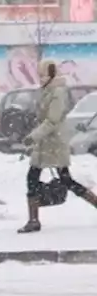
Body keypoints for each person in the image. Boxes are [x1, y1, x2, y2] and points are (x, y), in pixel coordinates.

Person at [17, 58, 97, 233]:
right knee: (37, 177)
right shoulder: (49, 90)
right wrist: (35, 138)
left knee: (63, 179)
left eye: (42, 74)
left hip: (54, 143)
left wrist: (33, 136)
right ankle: (33, 220)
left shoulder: (57, 93)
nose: (40, 78)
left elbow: (52, 120)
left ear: (50, 73)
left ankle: (33, 220)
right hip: (46, 143)